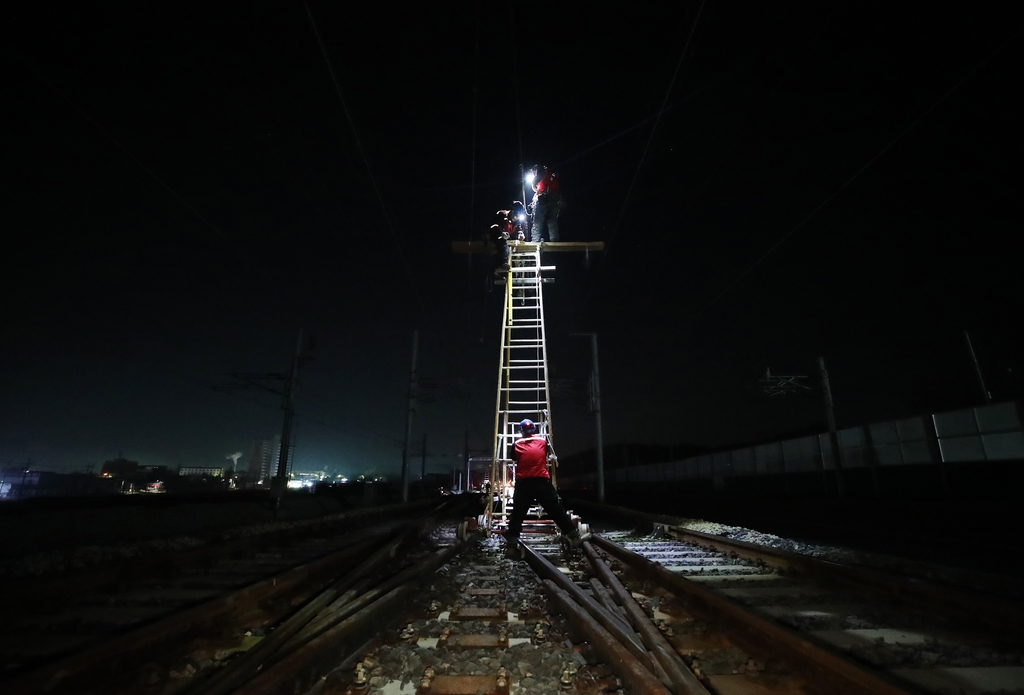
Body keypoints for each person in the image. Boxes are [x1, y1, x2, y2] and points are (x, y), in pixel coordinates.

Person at [504, 418, 590, 559]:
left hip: (523, 483)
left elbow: (514, 459)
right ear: (534, 430)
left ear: (521, 431)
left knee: (517, 515)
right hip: (541, 481)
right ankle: (574, 537)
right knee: (556, 511)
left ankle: (511, 547)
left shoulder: (515, 444)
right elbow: (543, 455)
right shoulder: (543, 442)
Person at [529, 165, 562, 243]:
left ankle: (535, 240)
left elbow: (534, 182)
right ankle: (554, 240)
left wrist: (535, 188)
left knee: (538, 221)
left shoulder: (542, 172)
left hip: (544, 198)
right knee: (552, 220)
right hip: (555, 199)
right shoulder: (552, 174)